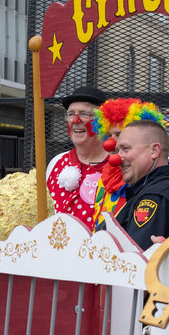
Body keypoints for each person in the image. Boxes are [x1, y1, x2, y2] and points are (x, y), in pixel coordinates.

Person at [109, 119, 169, 250]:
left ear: (154, 151)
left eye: (126, 149)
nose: (117, 159)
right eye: (118, 151)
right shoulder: (164, 189)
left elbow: (135, 259)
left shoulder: (155, 197)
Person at [90, 98, 164, 231]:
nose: (112, 143)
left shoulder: (145, 174)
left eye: (119, 134)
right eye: (108, 135)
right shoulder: (105, 177)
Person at [46, 86, 108, 230]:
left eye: (84, 114)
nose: (75, 120)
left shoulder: (119, 165)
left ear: (102, 121)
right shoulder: (57, 162)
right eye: (70, 114)